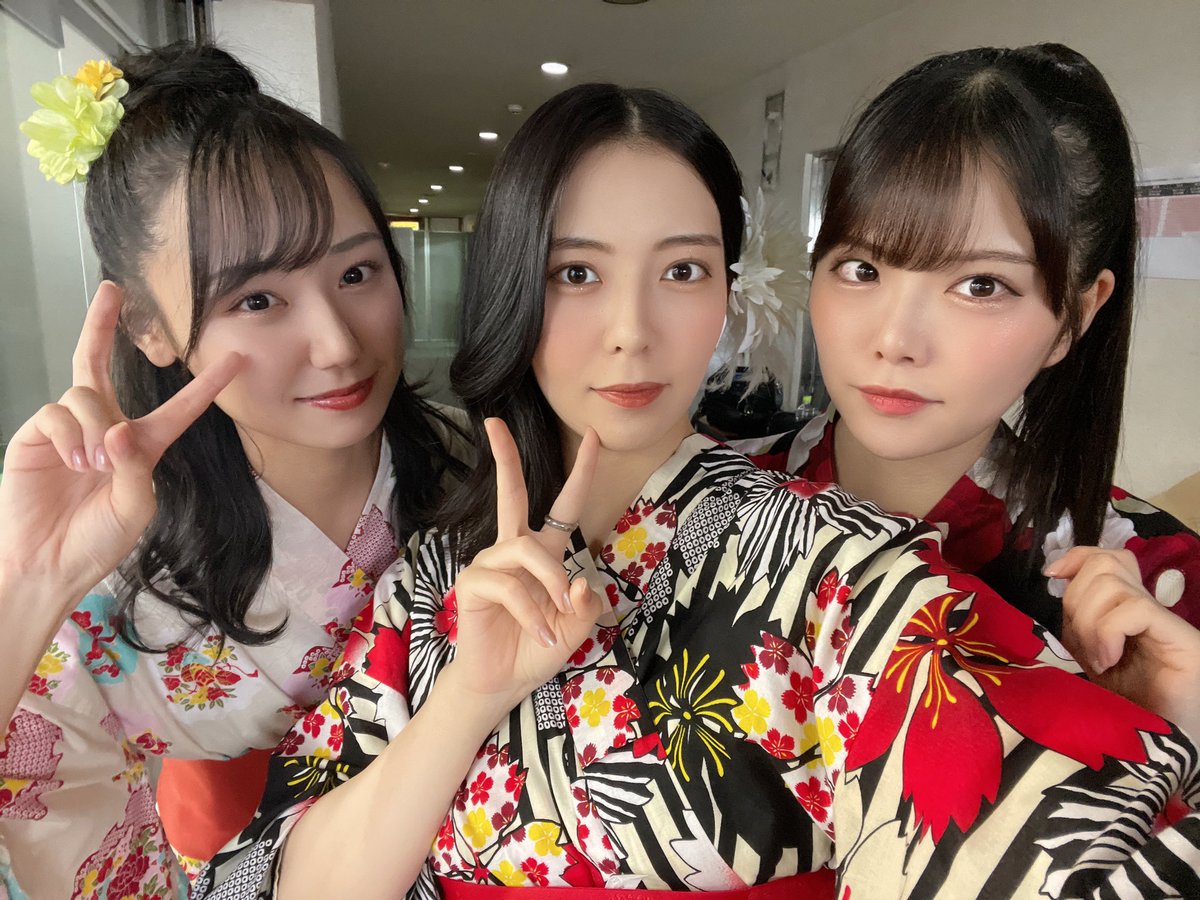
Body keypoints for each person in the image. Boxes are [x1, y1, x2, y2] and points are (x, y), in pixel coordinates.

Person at [197, 81, 1199, 899]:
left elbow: (1068, 852)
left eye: (682, 270)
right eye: (575, 274)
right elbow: (255, 880)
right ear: (511, 284)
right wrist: (465, 697)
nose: (632, 331)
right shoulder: (429, 578)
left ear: (727, 290)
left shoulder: (835, 565)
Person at [0, 43, 465, 897]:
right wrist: (29, 583)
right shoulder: (110, 569)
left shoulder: (478, 473)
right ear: (149, 328)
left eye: (357, 272)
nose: (338, 344)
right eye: (257, 299)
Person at [734, 43, 1199, 643]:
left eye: (982, 285)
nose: (895, 340)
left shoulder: (1161, 592)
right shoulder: (705, 494)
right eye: (862, 269)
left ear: (1076, 316)